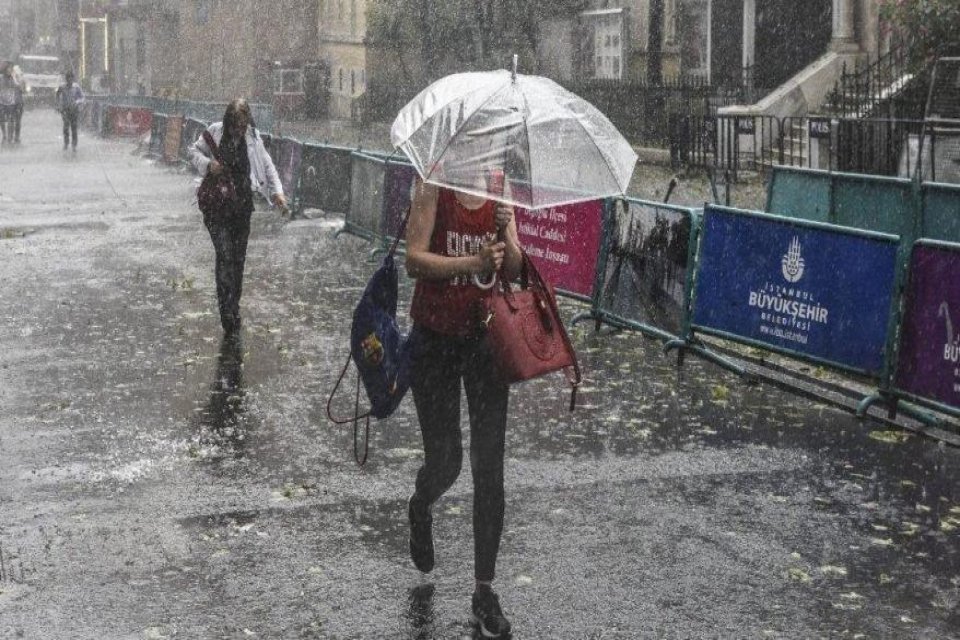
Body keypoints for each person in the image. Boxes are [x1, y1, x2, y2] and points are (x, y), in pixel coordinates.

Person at [403, 174, 523, 639]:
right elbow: (414, 260)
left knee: (489, 467)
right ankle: (421, 502)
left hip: (487, 340)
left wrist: (506, 232)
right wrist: (471, 260)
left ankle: (484, 590)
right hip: (434, 340)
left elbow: (512, 268)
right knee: (448, 461)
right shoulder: (433, 180)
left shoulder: (499, 185)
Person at [188, 98, 287, 334]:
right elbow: (192, 151)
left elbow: (267, 164)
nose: (239, 131)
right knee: (225, 255)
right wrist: (208, 164)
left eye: (243, 126)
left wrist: (278, 193)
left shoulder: (253, 137)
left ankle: (234, 304)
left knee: (238, 260)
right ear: (228, 122)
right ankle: (227, 312)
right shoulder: (215, 132)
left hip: (242, 208)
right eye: (235, 126)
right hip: (215, 208)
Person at [56, 71, 84, 151]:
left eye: (71, 79)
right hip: (65, 110)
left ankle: (74, 144)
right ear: (66, 79)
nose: (70, 81)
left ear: (73, 79)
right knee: (66, 127)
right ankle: (66, 142)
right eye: (68, 79)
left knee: (74, 128)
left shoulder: (76, 87)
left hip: (74, 110)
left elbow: (82, 97)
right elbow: (57, 95)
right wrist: (58, 105)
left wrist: (77, 102)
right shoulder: (62, 87)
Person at [0, 61, 15, 146]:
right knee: (1, 119)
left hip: (11, 102)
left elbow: (18, 86)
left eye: (10, 69)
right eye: (8, 69)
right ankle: (4, 134)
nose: (9, 71)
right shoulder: (1, 78)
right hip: (2, 101)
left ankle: (10, 136)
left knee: (11, 119)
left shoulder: (14, 78)